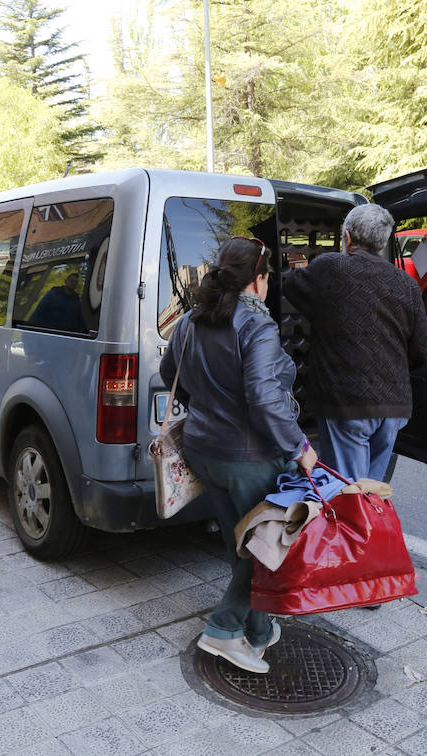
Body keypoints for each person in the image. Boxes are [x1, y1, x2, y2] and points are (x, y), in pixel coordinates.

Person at [160, 237, 318, 674]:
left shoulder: (192, 320)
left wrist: (210, 403)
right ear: (259, 279)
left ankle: (260, 629)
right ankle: (223, 631)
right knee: (266, 549)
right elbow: (265, 398)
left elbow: (169, 374)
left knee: (242, 544)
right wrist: (300, 448)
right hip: (248, 457)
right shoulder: (257, 326)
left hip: (203, 449)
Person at [283, 204, 427, 482]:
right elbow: (425, 352)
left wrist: (294, 260)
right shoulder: (407, 283)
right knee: (371, 493)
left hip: (348, 405)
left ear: (348, 237)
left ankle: (356, 525)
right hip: (393, 409)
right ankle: (369, 526)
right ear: (383, 242)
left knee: (348, 494)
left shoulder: (332, 267)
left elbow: (292, 286)